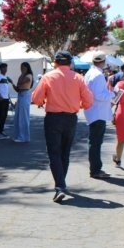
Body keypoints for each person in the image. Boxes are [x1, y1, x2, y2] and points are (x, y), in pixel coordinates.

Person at [31, 50, 93, 202]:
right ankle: (61, 184)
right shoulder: (79, 78)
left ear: (55, 63)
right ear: (70, 63)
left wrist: (46, 99)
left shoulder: (48, 77)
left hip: (53, 118)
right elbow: (88, 100)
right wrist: (80, 104)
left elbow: (36, 99)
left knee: (54, 153)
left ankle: (60, 185)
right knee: (65, 152)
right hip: (71, 118)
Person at [83, 51, 114, 179]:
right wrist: (113, 94)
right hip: (98, 112)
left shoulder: (90, 73)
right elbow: (100, 95)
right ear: (103, 62)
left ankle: (95, 168)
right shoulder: (98, 75)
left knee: (94, 141)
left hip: (92, 110)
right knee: (96, 142)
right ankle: (95, 169)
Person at [0, 63, 15, 138]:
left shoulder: (6, 77)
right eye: (3, 68)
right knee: (1, 115)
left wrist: (9, 99)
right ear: (0, 69)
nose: (5, 69)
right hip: (1, 99)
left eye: (6, 68)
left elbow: (6, 88)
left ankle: (1, 130)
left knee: (5, 115)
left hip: (6, 98)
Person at [12, 62, 34, 142]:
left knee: (23, 117)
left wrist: (23, 74)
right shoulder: (21, 76)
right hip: (20, 95)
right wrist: (13, 84)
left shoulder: (28, 76)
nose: (22, 69)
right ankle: (18, 135)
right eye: (21, 67)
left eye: (23, 67)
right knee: (18, 116)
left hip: (25, 96)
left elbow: (20, 82)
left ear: (27, 68)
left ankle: (23, 137)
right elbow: (18, 87)